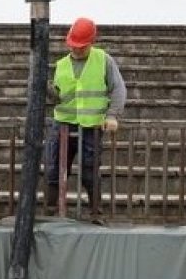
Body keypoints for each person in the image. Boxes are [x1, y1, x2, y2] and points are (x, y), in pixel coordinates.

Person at [45, 16, 127, 220]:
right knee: (54, 168)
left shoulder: (103, 60)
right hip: (63, 124)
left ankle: (95, 212)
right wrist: (46, 90)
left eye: (81, 46)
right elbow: (58, 95)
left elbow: (118, 89)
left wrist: (113, 115)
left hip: (91, 125)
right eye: (73, 45)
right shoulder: (62, 64)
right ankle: (51, 209)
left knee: (90, 170)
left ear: (91, 43)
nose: (76, 49)